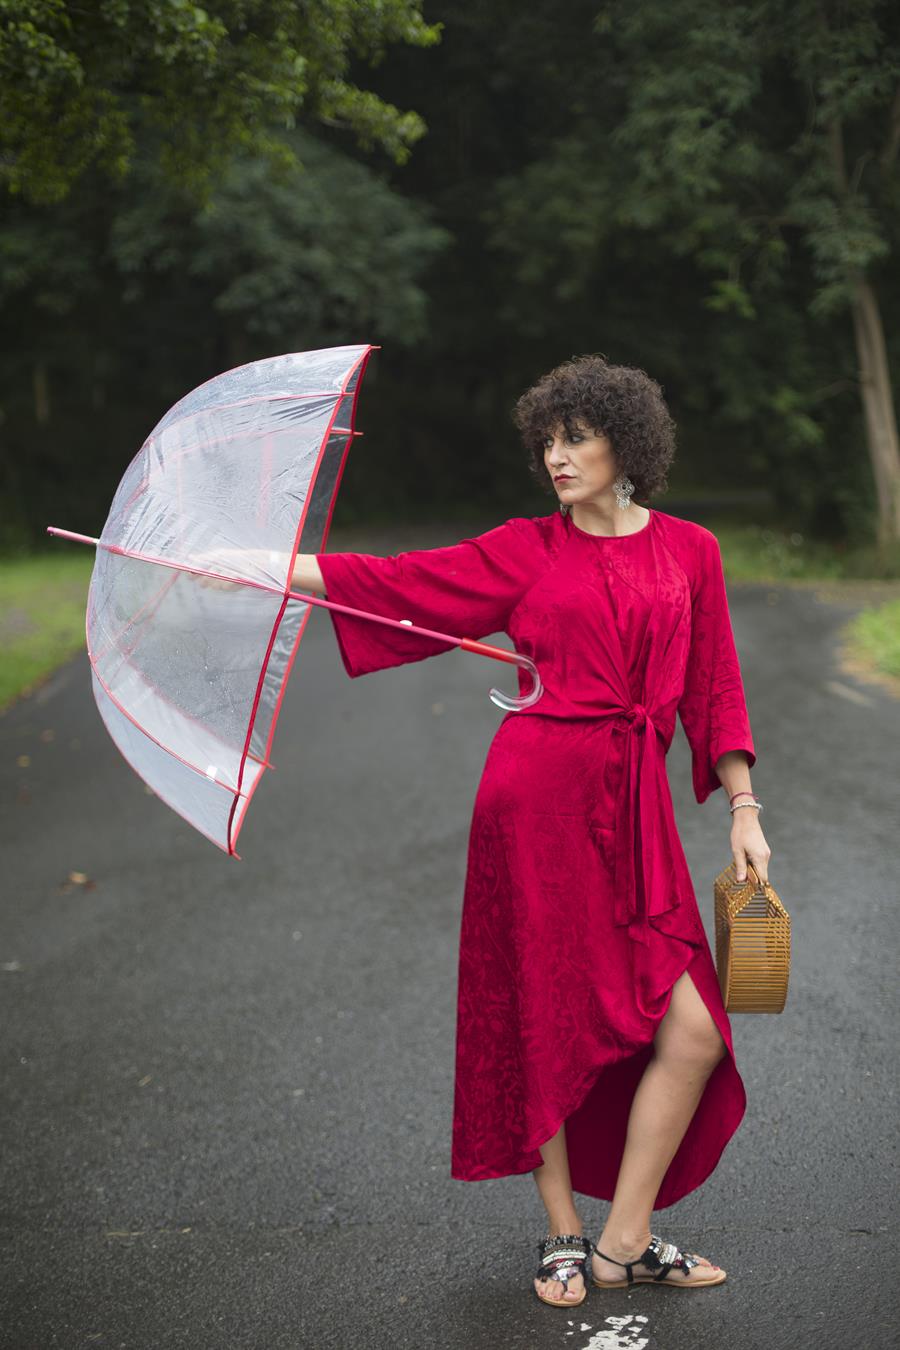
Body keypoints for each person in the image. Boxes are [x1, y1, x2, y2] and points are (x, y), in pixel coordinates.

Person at [290, 353, 770, 1305]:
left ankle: (623, 1238)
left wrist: (744, 807)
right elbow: (400, 584)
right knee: (541, 1015)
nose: (556, 455)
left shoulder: (692, 551)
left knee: (694, 1031)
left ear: (625, 444)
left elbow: (715, 681)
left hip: (635, 813)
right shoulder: (526, 550)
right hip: (533, 805)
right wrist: (272, 571)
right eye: (546, 439)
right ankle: (561, 1231)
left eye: (576, 437)